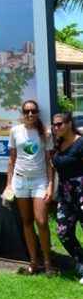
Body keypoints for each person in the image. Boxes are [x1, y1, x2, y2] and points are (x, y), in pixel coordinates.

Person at [4, 100, 54, 276]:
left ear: (37, 113)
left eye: (33, 111)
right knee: (26, 222)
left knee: (42, 222)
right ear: (22, 114)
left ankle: (48, 263)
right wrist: (8, 185)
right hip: (20, 182)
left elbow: (49, 162)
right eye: (27, 111)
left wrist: (50, 185)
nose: (30, 114)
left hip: (40, 181)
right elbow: (11, 160)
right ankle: (33, 262)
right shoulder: (15, 131)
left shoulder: (44, 133)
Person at [51, 112, 83, 282]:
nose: (57, 127)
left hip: (81, 192)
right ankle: (81, 261)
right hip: (65, 194)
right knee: (63, 232)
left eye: (60, 124)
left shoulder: (80, 142)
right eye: (54, 125)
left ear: (70, 123)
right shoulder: (58, 143)